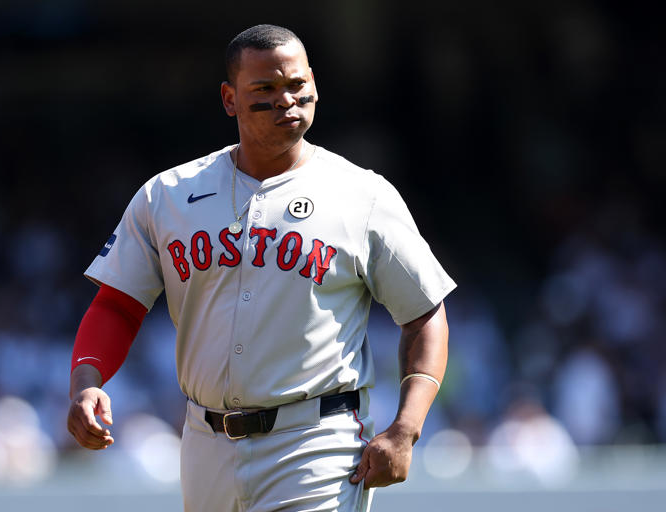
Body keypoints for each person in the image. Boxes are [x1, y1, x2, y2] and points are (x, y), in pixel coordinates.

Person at [67, 24, 455, 512]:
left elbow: (424, 314)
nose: (286, 100)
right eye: (265, 89)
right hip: (204, 443)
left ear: (314, 82)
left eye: (296, 85)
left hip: (315, 442)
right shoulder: (168, 195)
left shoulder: (362, 194)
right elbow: (117, 306)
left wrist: (406, 428)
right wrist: (86, 384)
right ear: (229, 99)